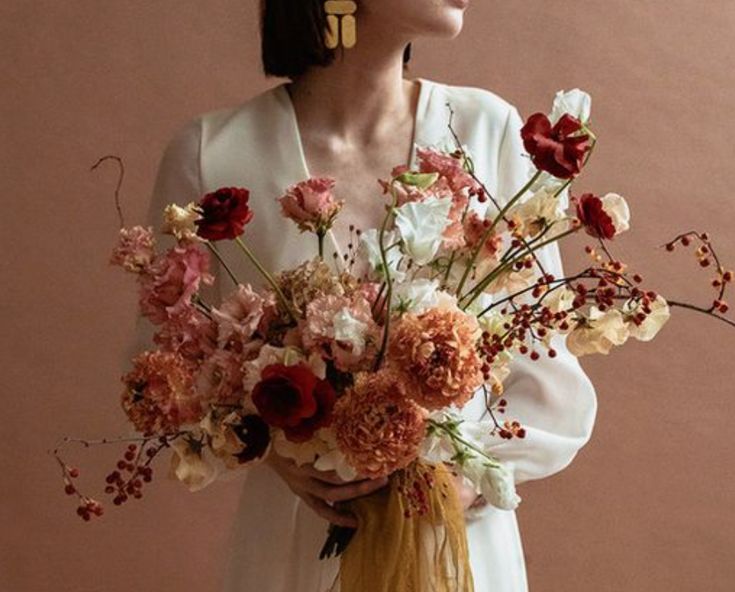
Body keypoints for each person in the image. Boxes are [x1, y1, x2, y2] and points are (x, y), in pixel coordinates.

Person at [142, 1, 598, 590]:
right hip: (293, 553)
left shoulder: (489, 132)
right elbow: (162, 378)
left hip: (453, 551)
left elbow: (548, 374)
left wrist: (461, 480)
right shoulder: (214, 154)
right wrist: (265, 446)